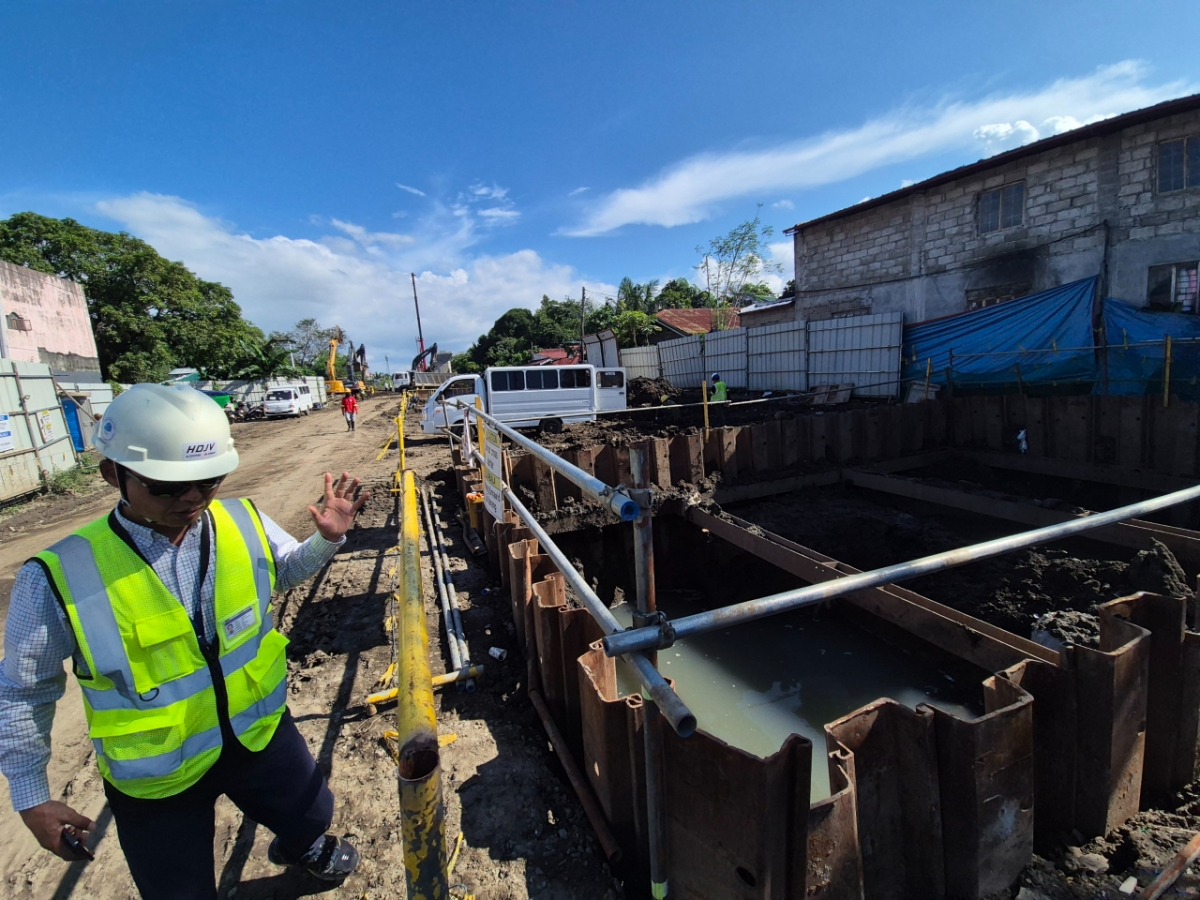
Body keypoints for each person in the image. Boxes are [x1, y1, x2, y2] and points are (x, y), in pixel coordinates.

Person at [0, 384, 371, 899]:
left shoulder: (241, 519)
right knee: (178, 890)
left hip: (257, 732)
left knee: (311, 812)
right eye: (168, 487)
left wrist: (326, 540)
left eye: (207, 481)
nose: (193, 498)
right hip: (157, 773)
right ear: (114, 474)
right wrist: (32, 796)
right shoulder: (57, 576)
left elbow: (281, 574)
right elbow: (22, 691)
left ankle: (304, 845)